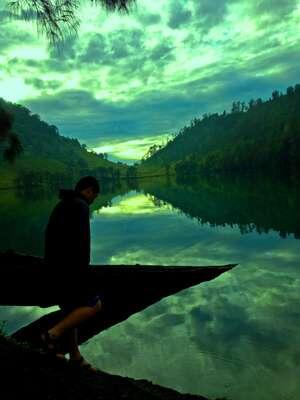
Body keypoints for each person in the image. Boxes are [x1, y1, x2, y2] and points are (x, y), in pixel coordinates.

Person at [42, 176, 102, 372]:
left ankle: (74, 356)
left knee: (70, 311)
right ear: (89, 191)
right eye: (94, 195)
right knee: (94, 305)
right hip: (70, 270)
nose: (93, 200)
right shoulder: (81, 206)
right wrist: (83, 270)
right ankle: (52, 334)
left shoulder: (64, 204)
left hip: (53, 267)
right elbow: (81, 241)